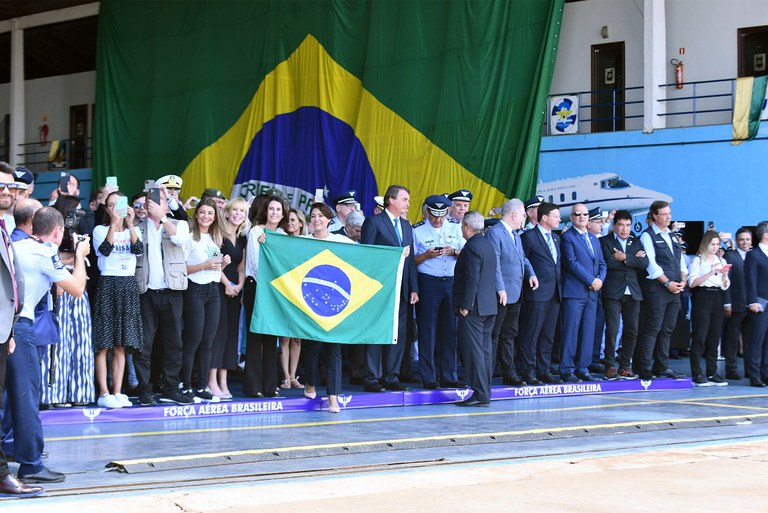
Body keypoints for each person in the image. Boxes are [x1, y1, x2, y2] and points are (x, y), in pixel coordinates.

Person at [9, 207, 89, 483]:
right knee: (26, 398)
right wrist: (79, 256)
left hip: (5, 326)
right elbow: (77, 288)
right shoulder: (45, 253)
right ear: (58, 231)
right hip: (19, 328)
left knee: (8, 398)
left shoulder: (17, 245)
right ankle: (31, 464)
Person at [0, 177, 44, 497]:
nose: (6, 192)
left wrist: (10, 328)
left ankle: (2, 472)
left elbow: (11, 282)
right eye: (1, 186)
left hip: (6, 329)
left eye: (10, 188)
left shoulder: (5, 228)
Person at [133, 185, 193, 406]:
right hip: (145, 292)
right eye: (153, 201)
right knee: (144, 343)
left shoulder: (179, 225)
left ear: (168, 204)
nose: (157, 204)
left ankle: (170, 387)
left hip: (173, 292)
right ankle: (145, 389)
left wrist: (163, 217)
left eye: (162, 201)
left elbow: (180, 240)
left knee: (173, 344)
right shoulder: (137, 227)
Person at [360, 185, 418, 392]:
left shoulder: (407, 226)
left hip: (402, 289)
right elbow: (366, 256)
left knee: (399, 333)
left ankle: (391, 376)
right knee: (377, 331)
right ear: (391, 200)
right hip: (379, 288)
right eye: (404, 199)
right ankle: (372, 377)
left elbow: (410, 259)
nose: (408, 204)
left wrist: (413, 288)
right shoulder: (374, 222)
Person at [91, 192, 144, 408]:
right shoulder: (100, 230)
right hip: (107, 283)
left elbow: (139, 250)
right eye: (111, 205)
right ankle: (104, 392)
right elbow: (104, 250)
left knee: (122, 344)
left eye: (119, 205)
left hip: (127, 285)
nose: (115, 209)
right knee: (104, 344)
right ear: (106, 208)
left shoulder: (135, 229)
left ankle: (118, 391)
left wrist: (130, 224)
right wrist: (113, 225)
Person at [301, 202, 355, 413]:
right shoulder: (302, 241)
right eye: (313, 216)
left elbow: (367, 256)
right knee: (312, 348)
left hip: (334, 305)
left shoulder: (341, 241)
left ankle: (333, 396)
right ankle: (310, 382)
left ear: (329, 219)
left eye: (320, 216)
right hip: (310, 303)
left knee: (334, 349)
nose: (316, 219)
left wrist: (397, 255)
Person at [42, 195, 95, 408]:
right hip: (59, 288)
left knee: (81, 341)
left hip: (78, 288)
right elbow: (52, 257)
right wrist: (74, 255)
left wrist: (77, 252)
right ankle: (55, 394)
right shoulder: (50, 233)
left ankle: (80, 392)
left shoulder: (79, 234)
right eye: (75, 212)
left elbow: (83, 257)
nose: (78, 216)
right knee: (59, 342)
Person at [413, 195, 465, 388]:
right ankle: (428, 377)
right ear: (428, 212)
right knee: (427, 330)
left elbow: (467, 252)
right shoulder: (417, 230)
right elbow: (410, 261)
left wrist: (454, 252)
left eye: (441, 216)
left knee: (451, 330)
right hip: (428, 282)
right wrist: (426, 255)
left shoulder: (455, 226)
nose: (438, 220)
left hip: (451, 282)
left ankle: (449, 376)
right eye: (434, 216)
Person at [485, 198, 537, 387]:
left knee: (509, 334)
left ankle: (509, 372)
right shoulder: (495, 233)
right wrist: (500, 288)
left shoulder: (515, 235)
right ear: (515, 215)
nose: (524, 218)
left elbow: (521, 258)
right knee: (494, 334)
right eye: (523, 215)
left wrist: (531, 274)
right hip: (502, 294)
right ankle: (487, 374)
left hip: (515, 293)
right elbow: (495, 264)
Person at [181, 199, 229, 402]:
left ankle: (202, 385)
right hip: (194, 290)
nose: (206, 216)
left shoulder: (215, 238)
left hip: (213, 291)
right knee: (193, 340)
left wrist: (222, 264)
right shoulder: (190, 238)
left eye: (210, 213)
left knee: (207, 342)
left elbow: (214, 269)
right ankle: (185, 384)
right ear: (196, 214)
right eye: (202, 212)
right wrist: (205, 265)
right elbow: (182, 268)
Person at [636, 200, 688, 380]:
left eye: (669, 213)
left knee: (667, 329)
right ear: (655, 216)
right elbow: (651, 264)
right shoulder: (648, 235)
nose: (668, 217)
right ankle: (644, 366)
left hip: (674, 289)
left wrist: (682, 280)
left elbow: (679, 260)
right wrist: (667, 283)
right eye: (664, 214)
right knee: (653, 328)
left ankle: (662, 366)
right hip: (658, 289)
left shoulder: (673, 236)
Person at [243, 194, 287, 397]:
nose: (275, 213)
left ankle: (270, 386)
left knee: (271, 338)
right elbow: (254, 263)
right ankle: (253, 387)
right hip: (258, 287)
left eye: (278, 209)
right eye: (271, 209)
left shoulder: (284, 236)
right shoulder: (256, 231)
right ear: (265, 211)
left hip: (275, 291)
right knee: (254, 338)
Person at [453, 211, 498, 407]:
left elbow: (472, 279)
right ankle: (484, 391)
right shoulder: (487, 244)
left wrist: (465, 305)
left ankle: (479, 393)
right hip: (489, 306)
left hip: (474, 308)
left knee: (475, 352)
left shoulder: (471, 247)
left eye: (463, 225)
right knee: (485, 351)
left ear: (468, 227)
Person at [600, 209, 647, 379]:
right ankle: (609, 366)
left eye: (628, 225)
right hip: (612, 292)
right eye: (621, 225)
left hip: (633, 292)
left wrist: (624, 257)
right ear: (614, 225)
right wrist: (632, 259)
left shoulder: (636, 241)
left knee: (632, 330)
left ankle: (625, 366)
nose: (624, 229)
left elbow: (644, 262)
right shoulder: (604, 241)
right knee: (612, 330)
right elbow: (609, 262)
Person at [518, 202, 562, 385]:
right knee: (531, 334)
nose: (559, 219)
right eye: (556, 216)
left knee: (548, 335)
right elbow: (523, 261)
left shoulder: (557, 238)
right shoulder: (528, 237)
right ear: (545, 218)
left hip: (554, 293)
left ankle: (544, 370)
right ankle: (526, 370)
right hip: (536, 293)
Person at [210, 198, 249, 400]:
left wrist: (239, 286)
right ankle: (211, 381)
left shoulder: (242, 237)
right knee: (218, 333)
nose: (238, 214)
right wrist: (227, 284)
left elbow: (242, 266)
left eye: (242, 211)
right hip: (218, 286)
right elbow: (215, 262)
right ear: (226, 212)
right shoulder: (217, 233)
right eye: (235, 210)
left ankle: (224, 381)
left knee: (231, 335)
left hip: (235, 288)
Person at [687, 230, 730, 386]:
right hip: (702, 296)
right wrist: (711, 272)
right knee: (700, 335)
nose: (715, 247)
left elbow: (725, 286)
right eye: (712, 244)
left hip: (717, 296)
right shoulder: (698, 260)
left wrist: (724, 276)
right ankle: (697, 372)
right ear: (706, 244)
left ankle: (712, 372)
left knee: (714, 336)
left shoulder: (722, 260)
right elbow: (692, 282)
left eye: (717, 244)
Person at [279, 208, 306, 390]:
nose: (290, 223)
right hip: (284, 292)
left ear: (301, 223)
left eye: (294, 220)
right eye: (288, 220)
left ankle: (294, 375)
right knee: (284, 338)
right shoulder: (279, 240)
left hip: (301, 294)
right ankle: (285, 376)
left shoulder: (308, 242)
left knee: (297, 338)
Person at [722, 227, 752, 380]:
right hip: (735, 305)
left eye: (747, 239)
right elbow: (725, 282)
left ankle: (750, 370)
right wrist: (727, 303)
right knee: (732, 339)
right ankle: (731, 369)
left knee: (751, 341)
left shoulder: (755, 255)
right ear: (737, 240)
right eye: (742, 239)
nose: (745, 242)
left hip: (753, 306)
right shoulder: (730, 256)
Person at [744, 221, 768, 387]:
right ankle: (754, 375)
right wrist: (752, 301)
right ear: (765, 235)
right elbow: (749, 280)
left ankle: (766, 373)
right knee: (756, 341)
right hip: (760, 303)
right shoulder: (754, 255)